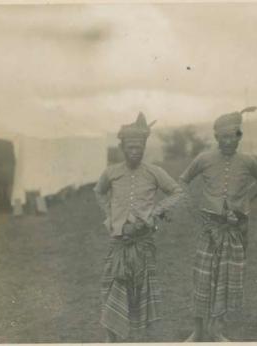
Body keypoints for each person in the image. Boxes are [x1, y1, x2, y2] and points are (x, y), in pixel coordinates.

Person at [93, 112, 183, 342]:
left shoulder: (153, 172)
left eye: (139, 147)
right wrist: (110, 217)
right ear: (122, 147)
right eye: (130, 147)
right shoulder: (111, 172)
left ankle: (138, 338)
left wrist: (156, 211)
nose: (135, 151)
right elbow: (98, 191)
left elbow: (176, 192)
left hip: (143, 244)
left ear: (144, 147)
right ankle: (112, 338)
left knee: (141, 292)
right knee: (113, 288)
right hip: (119, 243)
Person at [179, 110, 257, 342]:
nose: (229, 141)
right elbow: (183, 180)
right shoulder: (204, 159)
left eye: (234, 136)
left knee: (227, 280)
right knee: (202, 278)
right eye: (224, 136)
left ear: (240, 136)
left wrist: (244, 202)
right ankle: (198, 331)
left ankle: (217, 330)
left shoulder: (248, 161)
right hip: (209, 229)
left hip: (235, 230)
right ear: (216, 137)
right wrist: (194, 209)